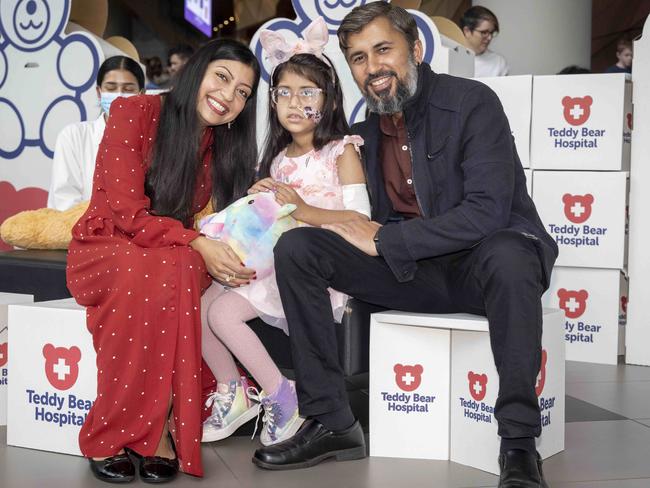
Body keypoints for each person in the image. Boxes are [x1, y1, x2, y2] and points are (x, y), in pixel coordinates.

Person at [253, 3, 558, 488]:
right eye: (357, 58)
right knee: (299, 250)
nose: (371, 68)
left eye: (382, 50)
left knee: (510, 251)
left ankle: (519, 442)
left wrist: (388, 239)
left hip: (486, 267)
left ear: (414, 49)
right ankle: (331, 421)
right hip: (414, 272)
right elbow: (359, 219)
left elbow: (487, 212)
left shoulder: (472, 102)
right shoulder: (367, 133)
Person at [66, 39, 260, 483]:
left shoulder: (220, 144)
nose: (229, 96)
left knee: (176, 267)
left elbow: (221, 220)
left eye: (243, 93)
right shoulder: (134, 112)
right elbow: (126, 212)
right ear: (196, 71)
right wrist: (195, 241)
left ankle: (158, 428)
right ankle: (122, 432)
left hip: (170, 253)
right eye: (223, 78)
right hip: (107, 244)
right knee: (159, 267)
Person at [200, 17, 370, 448]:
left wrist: (298, 204)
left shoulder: (342, 151)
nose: (294, 103)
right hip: (270, 260)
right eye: (284, 93)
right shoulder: (275, 158)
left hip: (319, 268)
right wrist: (261, 202)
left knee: (222, 314)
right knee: (198, 303)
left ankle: (282, 394)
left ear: (329, 101)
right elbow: (274, 221)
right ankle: (232, 390)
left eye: (307, 92)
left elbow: (360, 223)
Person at [47, 56, 145, 211]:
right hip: (84, 232)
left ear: (141, 94)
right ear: (99, 92)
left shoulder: (154, 141)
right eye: (111, 88)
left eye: (128, 89)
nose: (119, 96)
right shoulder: (74, 136)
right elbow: (63, 203)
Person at [461, 5, 508, 77]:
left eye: (492, 32)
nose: (489, 37)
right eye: (484, 32)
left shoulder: (499, 62)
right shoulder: (452, 57)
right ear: (467, 31)